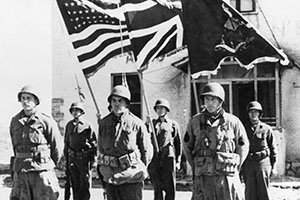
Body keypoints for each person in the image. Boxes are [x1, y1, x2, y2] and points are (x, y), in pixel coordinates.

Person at [183, 82, 249, 200]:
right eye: (207, 99)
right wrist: (196, 166)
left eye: (213, 100)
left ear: (220, 102)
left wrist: (235, 166)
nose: (209, 103)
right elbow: (187, 146)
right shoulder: (195, 122)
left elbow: (243, 146)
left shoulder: (233, 122)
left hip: (226, 178)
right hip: (203, 177)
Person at [97, 85, 153, 200]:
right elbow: (101, 149)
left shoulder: (137, 124)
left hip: (130, 178)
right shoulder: (103, 124)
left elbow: (146, 151)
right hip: (111, 177)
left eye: (120, 101)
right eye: (114, 100)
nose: (117, 104)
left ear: (127, 103)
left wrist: (137, 170)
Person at [9, 85, 63, 200]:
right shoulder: (15, 121)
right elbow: (15, 147)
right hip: (21, 171)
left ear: (36, 101)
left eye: (29, 98)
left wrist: (47, 164)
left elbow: (57, 147)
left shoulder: (46, 121)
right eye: (23, 98)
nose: (25, 101)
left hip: (41, 171)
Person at [147, 98, 182, 200]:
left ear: (167, 110)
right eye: (158, 108)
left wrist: (178, 160)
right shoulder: (152, 123)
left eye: (162, 108)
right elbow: (145, 137)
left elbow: (178, 143)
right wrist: (147, 123)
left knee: (170, 186)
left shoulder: (173, 124)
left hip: (168, 158)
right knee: (157, 187)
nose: (160, 110)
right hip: (155, 159)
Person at [241, 101, 277, 200]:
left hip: (262, 162)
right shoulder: (243, 129)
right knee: (250, 191)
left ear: (260, 114)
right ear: (248, 114)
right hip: (248, 163)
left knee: (263, 190)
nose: (253, 114)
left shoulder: (266, 129)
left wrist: (274, 167)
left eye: (256, 112)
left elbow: (273, 149)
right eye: (251, 112)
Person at [64, 102, 97, 200]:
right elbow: (66, 142)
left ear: (82, 112)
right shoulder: (69, 125)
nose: (75, 112)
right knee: (75, 184)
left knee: (85, 185)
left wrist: (94, 160)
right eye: (73, 110)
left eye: (77, 110)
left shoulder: (87, 126)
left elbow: (94, 144)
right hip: (72, 159)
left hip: (84, 160)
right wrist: (66, 158)